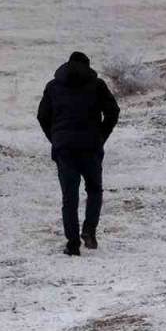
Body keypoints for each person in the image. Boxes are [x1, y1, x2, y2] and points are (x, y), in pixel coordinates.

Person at [37, 51, 120, 256]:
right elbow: (113, 112)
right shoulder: (97, 85)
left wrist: (56, 139)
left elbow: (42, 116)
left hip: (65, 149)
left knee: (69, 197)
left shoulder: (53, 87)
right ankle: (89, 230)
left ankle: (73, 244)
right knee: (94, 190)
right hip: (90, 146)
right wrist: (101, 136)